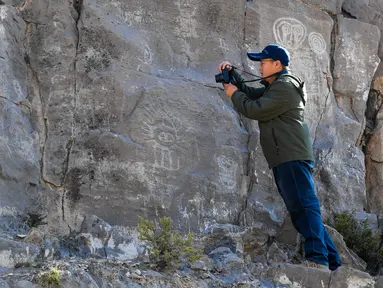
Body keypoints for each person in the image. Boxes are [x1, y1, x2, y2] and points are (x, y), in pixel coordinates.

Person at [218, 44, 341, 270]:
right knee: (300, 207)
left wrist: (234, 94)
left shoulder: (284, 86)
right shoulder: (276, 85)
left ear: (277, 64)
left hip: (290, 154)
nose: (260, 67)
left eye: (263, 63)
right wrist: (234, 77)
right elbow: (255, 94)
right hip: (285, 154)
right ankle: (332, 261)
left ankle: (318, 258)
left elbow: (255, 109)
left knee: (304, 205)